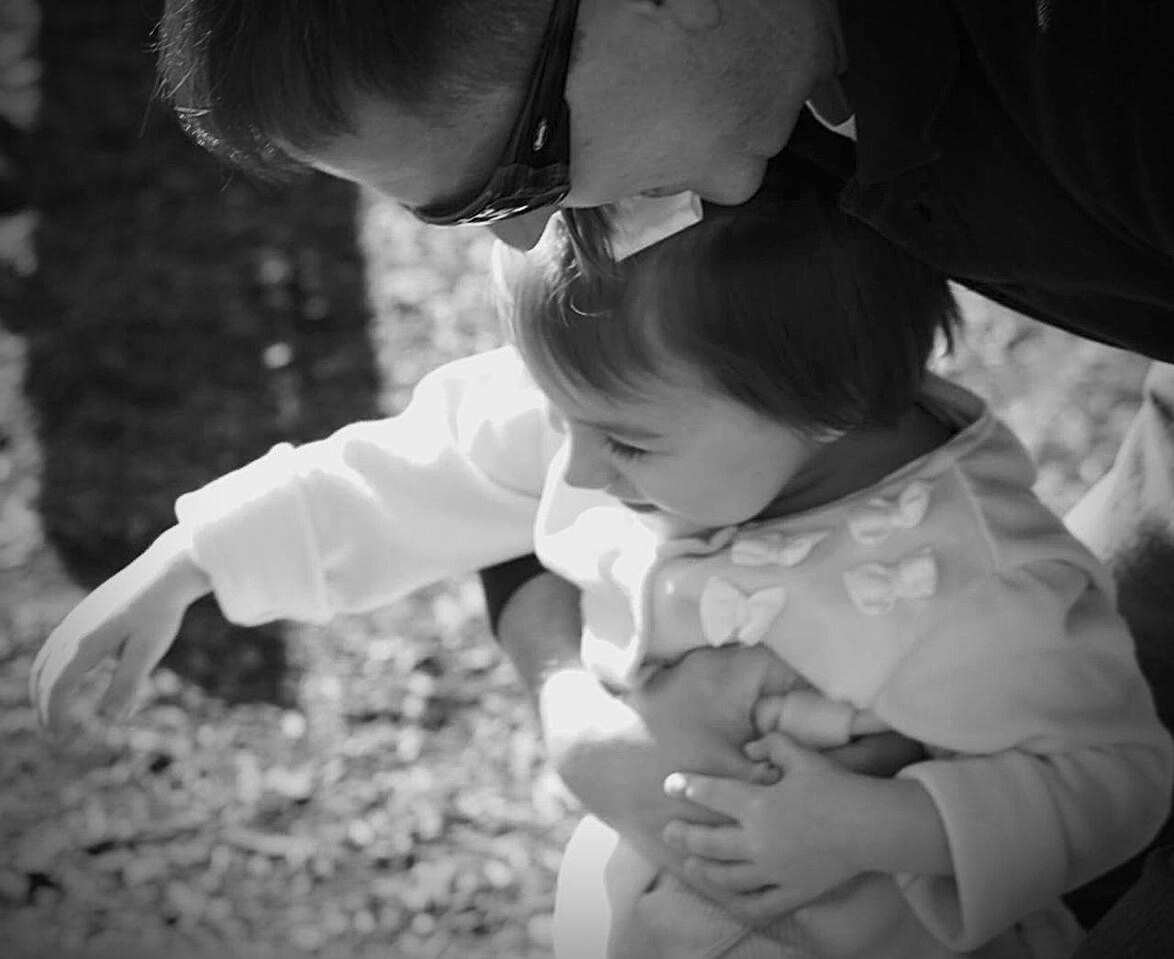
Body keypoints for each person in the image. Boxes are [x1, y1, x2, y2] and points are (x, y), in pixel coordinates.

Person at [151, 0, 1174, 942]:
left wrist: (890, 822)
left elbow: (1106, 773)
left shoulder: (978, 587)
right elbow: (448, 461)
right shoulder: (709, 236)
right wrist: (204, 549)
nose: (520, 232)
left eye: (514, 174)